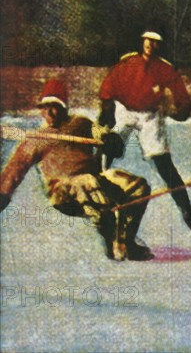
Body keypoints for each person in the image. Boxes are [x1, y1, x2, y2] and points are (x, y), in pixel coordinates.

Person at [0, 80, 153, 261]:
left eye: (54, 107)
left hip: (95, 181)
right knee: (86, 181)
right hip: (63, 192)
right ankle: (110, 235)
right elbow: (14, 170)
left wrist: (111, 141)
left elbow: (101, 134)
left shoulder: (81, 124)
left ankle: (127, 242)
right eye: (45, 107)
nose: (49, 112)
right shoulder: (36, 139)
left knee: (138, 186)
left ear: (64, 107)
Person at [98, 31, 191, 233]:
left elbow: (181, 94)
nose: (150, 44)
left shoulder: (164, 68)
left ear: (160, 45)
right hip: (125, 110)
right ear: (141, 41)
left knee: (162, 163)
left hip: (150, 115)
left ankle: (186, 209)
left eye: (155, 41)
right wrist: (106, 110)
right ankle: (97, 189)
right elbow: (109, 85)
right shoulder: (128, 63)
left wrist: (183, 108)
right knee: (107, 147)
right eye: (147, 40)